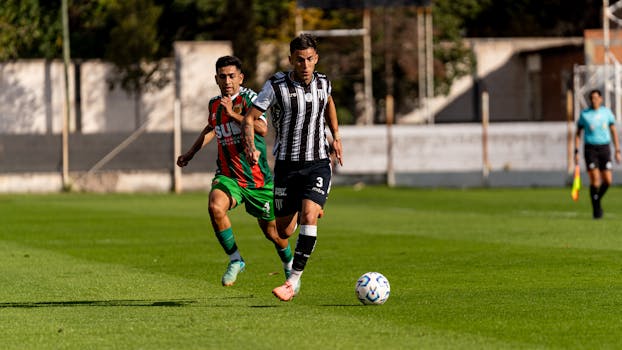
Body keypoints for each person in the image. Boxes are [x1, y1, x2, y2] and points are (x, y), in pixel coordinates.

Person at [243, 34, 343, 301]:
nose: (305, 64)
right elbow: (250, 118)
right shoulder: (275, 86)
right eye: (300, 60)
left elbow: (329, 102)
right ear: (291, 60)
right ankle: (308, 203)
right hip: (287, 166)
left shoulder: (324, 83)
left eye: (310, 59)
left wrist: (336, 136)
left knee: (309, 217)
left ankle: (292, 281)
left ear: (316, 59)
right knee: (284, 230)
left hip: (318, 162)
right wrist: (251, 147)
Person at [177, 55, 293, 286]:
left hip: (257, 180)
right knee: (215, 207)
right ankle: (236, 259)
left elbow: (260, 128)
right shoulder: (214, 104)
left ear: (241, 77)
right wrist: (190, 153)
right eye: (223, 77)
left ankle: (290, 268)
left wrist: (233, 114)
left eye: (232, 76)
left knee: (273, 233)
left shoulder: (251, 98)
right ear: (216, 79)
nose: (228, 81)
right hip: (228, 176)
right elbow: (212, 128)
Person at [575, 89, 621, 219]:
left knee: (608, 180)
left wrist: (617, 150)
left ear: (601, 99)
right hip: (590, 149)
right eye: (592, 98)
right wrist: (576, 150)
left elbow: (613, 131)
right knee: (595, 180)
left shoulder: (607, 113)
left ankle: (596, 200)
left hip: (604, 148)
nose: (594, 100)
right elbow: (578, 133)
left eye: (596, 98)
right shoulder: (585, 114)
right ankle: (596, 209)